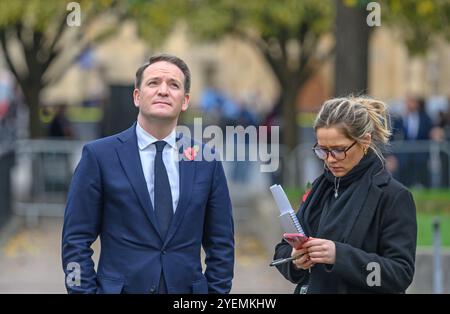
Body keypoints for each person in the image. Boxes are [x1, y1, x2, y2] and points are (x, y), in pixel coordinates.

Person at [61, 54, 234, 294]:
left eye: (173, 85)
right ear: (137, 96)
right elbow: (75, 241)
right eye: (153, 83)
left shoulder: (207, 160)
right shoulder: (99, 156)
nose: (163, 90)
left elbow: (222, 246)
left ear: (184, 101)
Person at [273, 96, 417, 293]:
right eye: (323, 150)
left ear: (365, 141)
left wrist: (339, 256)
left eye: (339, 150)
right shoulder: (319, 188)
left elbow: (399, 275)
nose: (330, 160)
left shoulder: (393, 196)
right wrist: (296, 259)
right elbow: (281, 252)